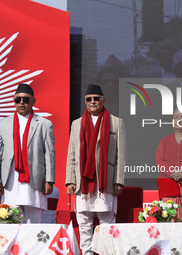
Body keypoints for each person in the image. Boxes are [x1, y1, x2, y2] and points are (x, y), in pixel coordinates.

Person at [66, 84, 127, 255]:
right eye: (89, 99)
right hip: (82, 181)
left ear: (103, 100)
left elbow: (121, 155)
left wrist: (119, 180)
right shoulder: (76, 124)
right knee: (84, 221)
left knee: (106, 220)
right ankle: (87, 253)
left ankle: (107, 252)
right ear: (85, 101)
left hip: (105, 179)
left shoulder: (116, 122)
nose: (93, 102)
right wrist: (70, 179)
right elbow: (71, 153)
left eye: (96, 98)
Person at [0, 83, 55, 223]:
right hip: (10, 180)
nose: (22, 103)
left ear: (33, 101)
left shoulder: (44, 124)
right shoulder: (3, 124)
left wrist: (49, 180)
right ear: (14, 101)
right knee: (11, 221)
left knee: (34, 223)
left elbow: (49, 154)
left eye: (26, 99)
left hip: (34, 180)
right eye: (18, 99)